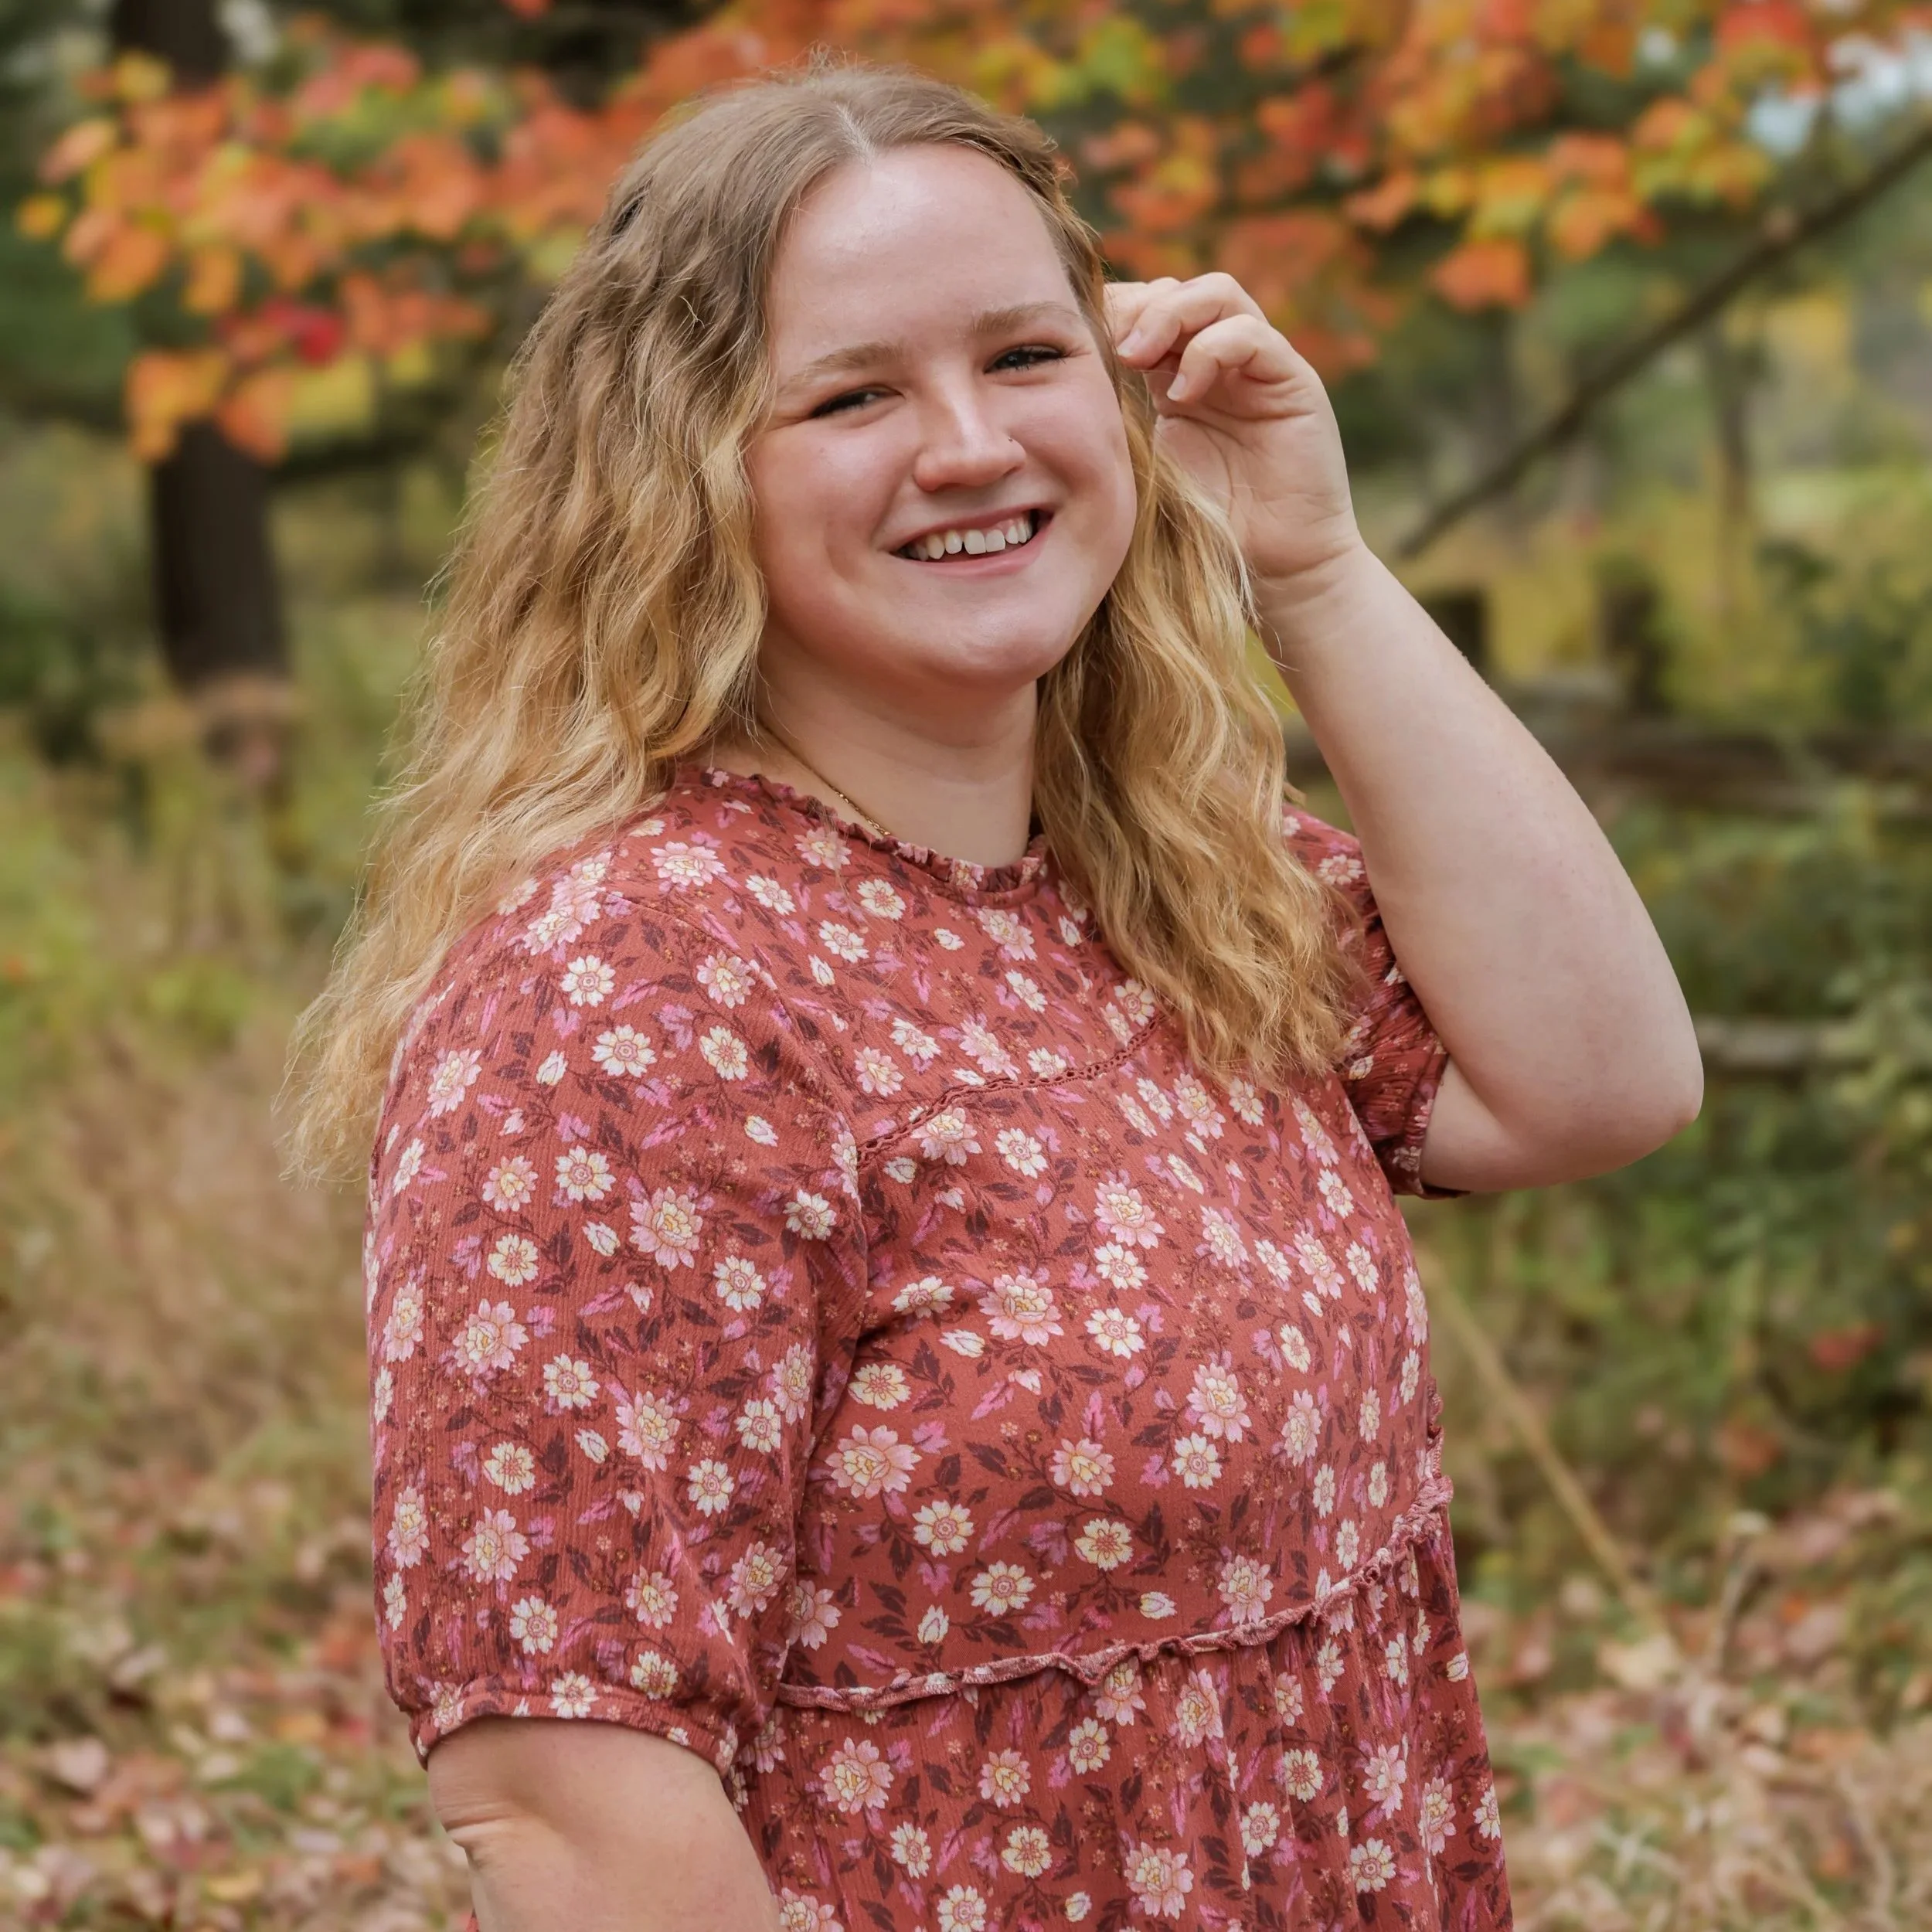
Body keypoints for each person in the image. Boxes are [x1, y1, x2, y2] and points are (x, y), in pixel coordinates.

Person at [289, 59, 1702, 1932]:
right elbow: (566, 1794)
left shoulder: (1161, 870)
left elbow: (1596, 1081)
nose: (967, 443)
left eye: (1025, 357)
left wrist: (1310, 561)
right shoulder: (632, 987)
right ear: (687, 469)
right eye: (853, 392)